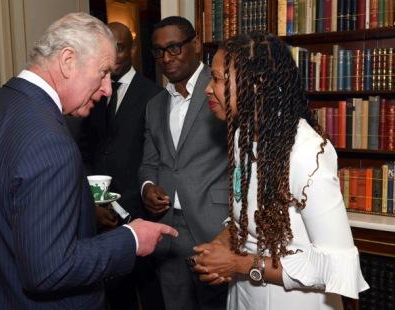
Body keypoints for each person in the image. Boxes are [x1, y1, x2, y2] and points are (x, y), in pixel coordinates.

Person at [0, 13, 177, 309]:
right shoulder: (51, 141)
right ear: (68, 61)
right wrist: (130, 239)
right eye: (104, 72)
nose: (108, 88)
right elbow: (49, 270)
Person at [191, 31, 369, 309]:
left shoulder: (307, 154)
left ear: (257, 84)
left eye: (217, 79)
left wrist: (240, 264)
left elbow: (334, 266)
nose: (208, 89)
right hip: (245, 296)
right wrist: (220, 245)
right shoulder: (243, 137)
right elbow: (244, 218)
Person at [139, 16, 229, 310]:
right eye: (158, 51)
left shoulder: (221, 90)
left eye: (174, 48)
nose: (166, 58)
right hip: (166, 230)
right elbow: (149, 162)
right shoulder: (154, 105)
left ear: (196, 45)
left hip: (215, 228)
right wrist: (147, 187)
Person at [79, 22, 165, 310]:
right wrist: (95, 201)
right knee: (114, 292)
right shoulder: (92, 90)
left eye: (121, 46)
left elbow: (154, 157)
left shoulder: (153, 94)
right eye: (109, 46)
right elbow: (87, 148)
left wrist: (125, 205)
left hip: (138, 211)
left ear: (132, 49)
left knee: (150, 290)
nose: (115, 54)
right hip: (99, 211)